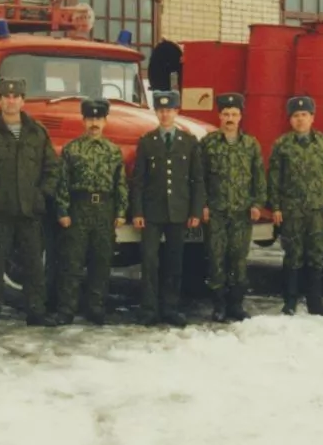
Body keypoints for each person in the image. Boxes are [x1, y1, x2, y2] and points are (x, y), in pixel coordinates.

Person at [0, 77, 60, 330]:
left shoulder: (37, 132)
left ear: (23, 101)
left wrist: (41, 195)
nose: (11, 101)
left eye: (16, 97)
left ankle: (36, 313)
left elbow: (52, 168)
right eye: (6, 96)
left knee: (34, 266)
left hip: (29, 212)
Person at [130, 89, 205, 327]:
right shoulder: (147, 141)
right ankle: (149, 309)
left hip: (178, 211)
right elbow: (138, 180)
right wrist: (137, 211)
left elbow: (197, 180)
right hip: (152, 212)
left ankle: (170, 308)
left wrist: (195, 211)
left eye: (169, 110)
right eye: (161, 111)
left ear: (176, 112)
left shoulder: (188, 142)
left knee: (174, 262)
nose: (165, 115)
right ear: (156, 113)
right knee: (150, 261)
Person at [268, 95, 323, 316]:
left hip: (318, 211)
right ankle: (290, 301)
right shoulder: (282, 145)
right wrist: (275, 207)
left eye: (304, 115)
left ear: (312, 117)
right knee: (293, 255)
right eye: (295, 116)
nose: (300, 119)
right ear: (290, 119)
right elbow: (274, 179)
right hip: (291, 211)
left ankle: (315, 302)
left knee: (316, 255)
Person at [54, 98, 127, 325]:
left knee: (101, 261)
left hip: (105, 209)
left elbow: (120, 183)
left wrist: (121, 211)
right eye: (90, 119)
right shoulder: (71, 149)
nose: (94, 123)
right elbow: (62, 182)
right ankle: (67, 309)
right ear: (84, 121)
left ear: (105, 121)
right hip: (79, 208)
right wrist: (62, 211)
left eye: (99, 119)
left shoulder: (113, 151)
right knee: (72, 261)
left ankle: (96, 307)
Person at [199, 92, 265, 322]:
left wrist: (257, 203)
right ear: (219, 116)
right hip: (216, 211)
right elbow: (200, 177)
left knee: (238, 258)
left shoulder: (251, 144)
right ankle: (219, 305)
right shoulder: (208, 143)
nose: (230, 118)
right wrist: (203, 205)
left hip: (241, 212)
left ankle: (236, 304)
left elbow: (259, 176)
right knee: (216, 258)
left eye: (234, 114)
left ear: (240, 116)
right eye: (226, 114)